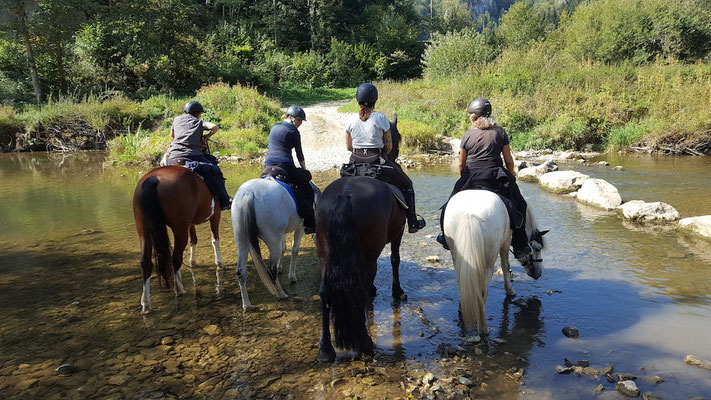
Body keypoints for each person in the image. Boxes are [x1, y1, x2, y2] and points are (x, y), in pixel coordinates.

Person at [436, 98, 531, 258]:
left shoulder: (467, 135)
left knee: (448, 206)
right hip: (496, 175)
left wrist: (464, 179)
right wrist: (512, 175)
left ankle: (445, 237)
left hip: (471, 176)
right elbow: (508, 160)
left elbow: (461, 164)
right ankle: (520, 246)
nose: (469, 117)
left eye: (470, 114)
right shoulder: (500, 132)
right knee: (521, 205)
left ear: (474, 117)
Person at [345, 83, 426, 233]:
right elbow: (388, 147)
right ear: (375, 100)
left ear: (358, 101)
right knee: (408, 184)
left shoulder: (350, 119)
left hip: (354, 163)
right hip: (377, 160)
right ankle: (413, 222)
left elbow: (349, 147)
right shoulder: (380, 118)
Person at [166, 101, 232, 210]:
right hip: (193, 156)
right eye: (200, 113)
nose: (200, 115)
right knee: (216, 171)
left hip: (173, 158)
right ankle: (225, 202)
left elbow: (172, 135)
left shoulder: (176, 120)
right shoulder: (198, 122)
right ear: (197, 113)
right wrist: (206, 137)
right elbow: (214, 127)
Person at [264, 105, 316, 234]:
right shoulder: (293, 131)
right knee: (308, 190)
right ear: (292, 118)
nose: (300, 124)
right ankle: (310, 224)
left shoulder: (274, 127)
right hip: (284, 165)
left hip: (268, 166)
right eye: (299, 120)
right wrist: (305, 171)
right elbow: (299, 154)